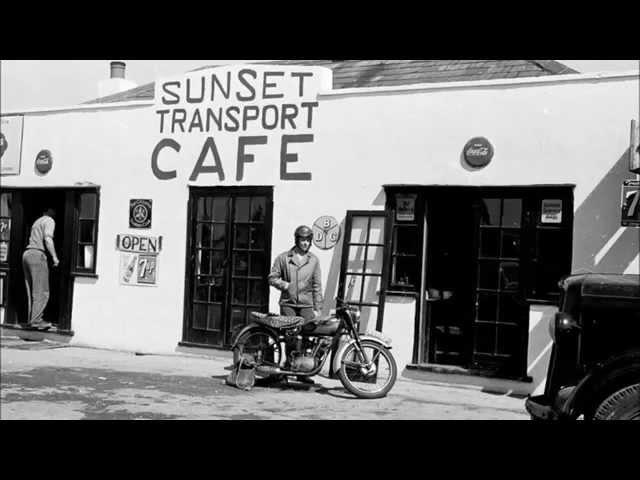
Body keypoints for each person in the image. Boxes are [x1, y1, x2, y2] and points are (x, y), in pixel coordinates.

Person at [268, 225, 324, 384]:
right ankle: (287, 369)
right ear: (297, 239)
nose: (305, 243)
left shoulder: (313, 260)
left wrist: (318, 308)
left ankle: (303, 372)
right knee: (291, 337)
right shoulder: (284, 258)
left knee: (307, 338)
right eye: (302, 239)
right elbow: (272, 277)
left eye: (308, 240)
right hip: (288, 303)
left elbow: (317, 286)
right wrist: (284, 285)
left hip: (306, 305)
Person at [22, 207, 59, 330]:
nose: (56, 212)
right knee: (42, 291)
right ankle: (36, 321)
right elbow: (48, 239)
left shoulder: (37, 221)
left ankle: (31, 319)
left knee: (31, 290)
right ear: (50, 210)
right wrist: (54, 257)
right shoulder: (49, 220)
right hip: (38, 255)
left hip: (27, 254)